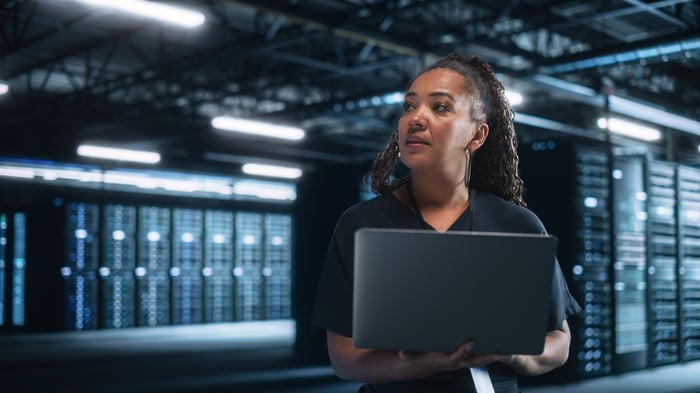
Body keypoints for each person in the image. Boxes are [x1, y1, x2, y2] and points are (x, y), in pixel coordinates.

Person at [311, 53, 581, 393]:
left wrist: (512, 353)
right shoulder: (360, 223)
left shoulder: (519, 225)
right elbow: (343, 356)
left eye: (439, 107)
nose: (415, 119)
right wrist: (426, 363)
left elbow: (559, 340)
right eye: (409, 106)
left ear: (477, 136)